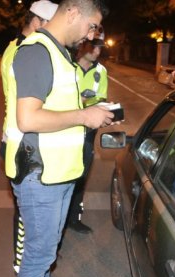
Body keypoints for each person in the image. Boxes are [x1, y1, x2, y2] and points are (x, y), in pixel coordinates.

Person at [3, 1, 112, 277]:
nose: (92, 34)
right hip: (40, 175)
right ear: (74, 13)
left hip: (59, 172)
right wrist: (84, 116)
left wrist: (90, 112)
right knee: (38, 256)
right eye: (93, 25)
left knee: (47, 252)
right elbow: (28, 119)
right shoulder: (37, 52)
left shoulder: (61, 54)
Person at [0, 0, 58, 275]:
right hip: (22, 143)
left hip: (19, 140)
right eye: (50, 25)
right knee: (26, 220)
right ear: (37, 22)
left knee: (25, 216)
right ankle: (23, 268)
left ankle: (27, 266)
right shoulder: (26, 51)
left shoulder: (16, 47)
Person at [66, 34, 108, 234]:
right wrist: (81, 102)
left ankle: (74, 218)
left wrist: (106, 112)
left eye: (101, 47)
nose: (98, 51)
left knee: (81, 177)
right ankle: (58, 220)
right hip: (63, 132)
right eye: (95, 46)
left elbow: (101, 100)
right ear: (83, 44)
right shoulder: (66, 66)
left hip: (87, 135)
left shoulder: (101, 71)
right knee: (62, 177)